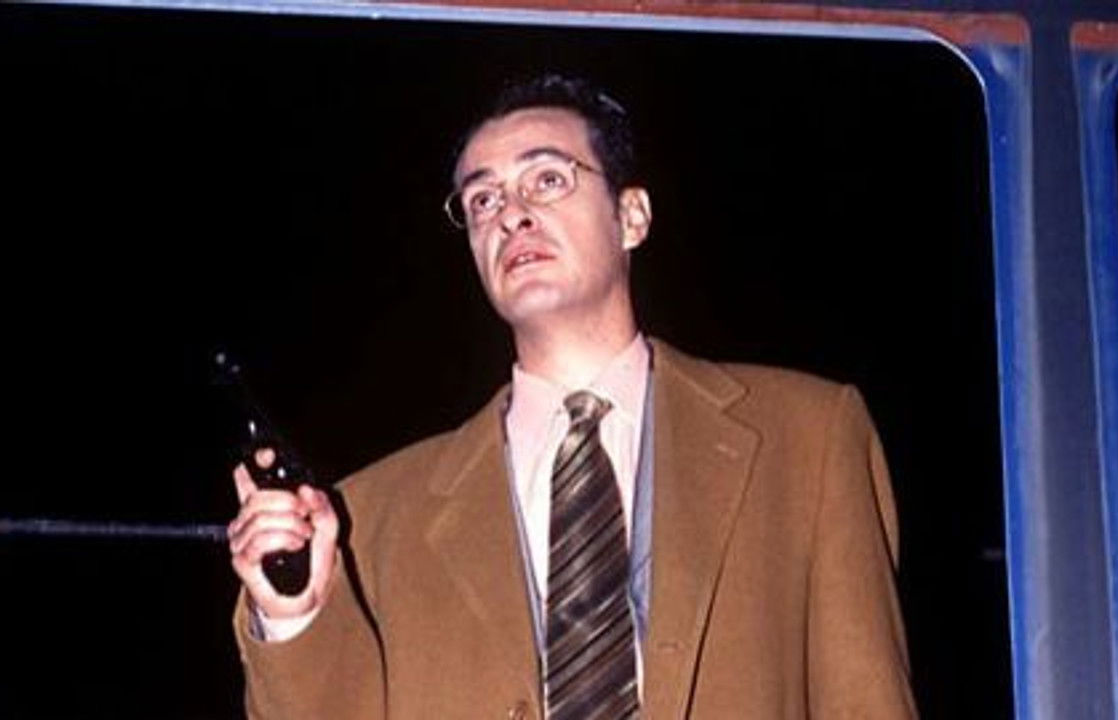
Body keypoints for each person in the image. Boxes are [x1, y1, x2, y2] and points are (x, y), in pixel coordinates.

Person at [227, 74, 916, 719]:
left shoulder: (809, 438)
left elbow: (868, 701)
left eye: (548, 179)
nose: (511, 215)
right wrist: (295, 616)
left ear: (632, 215)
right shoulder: (371, 517)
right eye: (483, 200)